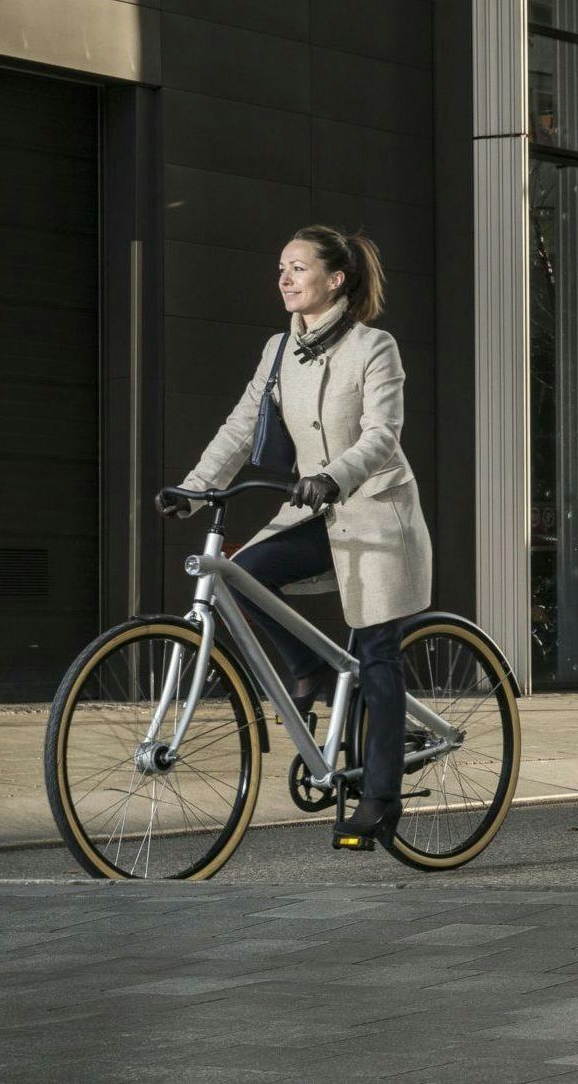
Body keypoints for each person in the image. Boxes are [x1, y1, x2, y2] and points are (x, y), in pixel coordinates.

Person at [156, 225, 432, 848]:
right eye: (280, 266)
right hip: (313, 512)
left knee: (376, 654)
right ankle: (306, 671)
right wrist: (196, 488)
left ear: (335, 279)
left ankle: (380, 800)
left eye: (298, 267)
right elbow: (241, 424)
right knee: (241, 572)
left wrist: (334, 476)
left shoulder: (374, 346)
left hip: (374, 512)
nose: (284, 277)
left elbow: (382, 434)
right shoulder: (279, 350)